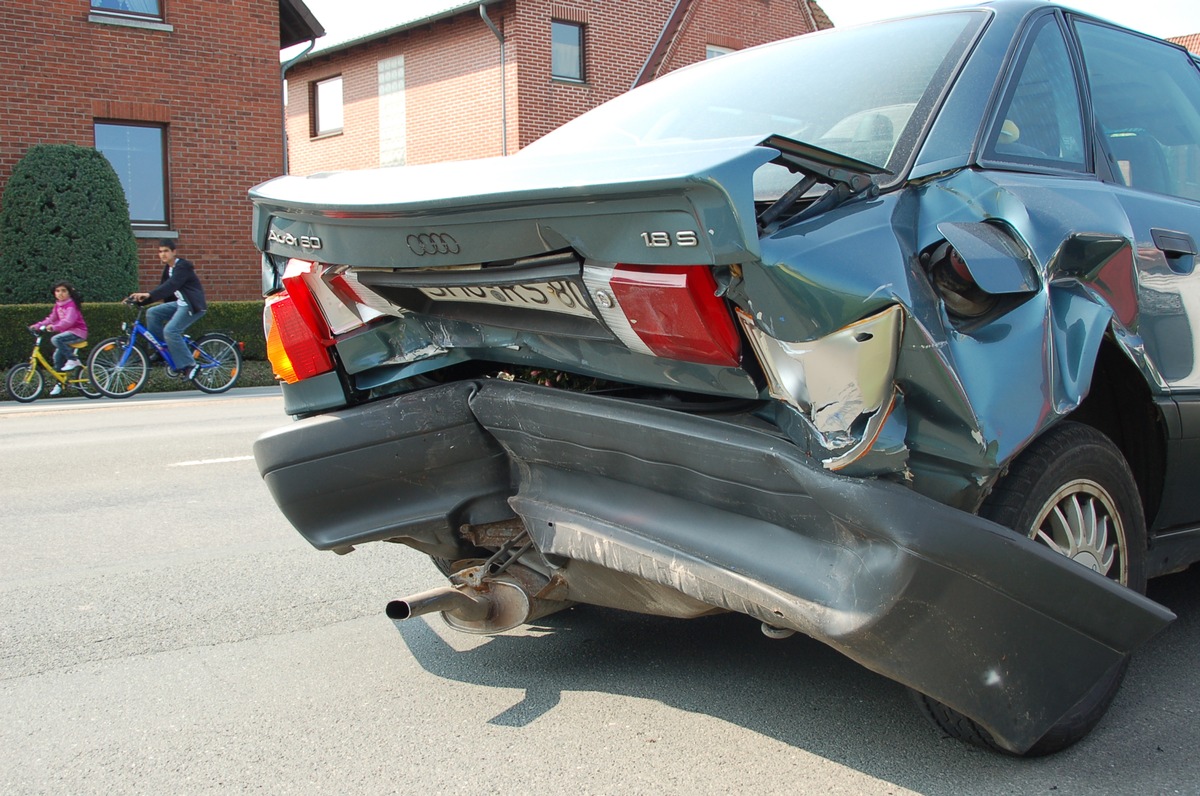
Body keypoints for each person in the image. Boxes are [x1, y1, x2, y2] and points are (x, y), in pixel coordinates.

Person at [130, 239, 208, 380]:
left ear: (174, 252)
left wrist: (149, 295)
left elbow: (171, 286)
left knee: (171, 331)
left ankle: (190, 365)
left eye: (166, 251)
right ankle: (161, 350)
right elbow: (164, 290)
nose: (163, 254)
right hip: (180, 304)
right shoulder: (168, 269)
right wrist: (141, 301)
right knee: (153, 313)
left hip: (192, 305)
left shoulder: (182, 267)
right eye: (160, 252)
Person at [29, 281, 89, 395]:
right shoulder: (58, 305)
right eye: (57, 291)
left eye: (63, 291)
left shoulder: (71, 305)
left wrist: (55, 327)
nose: (60, 293)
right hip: (66, 335)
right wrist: (37, 326)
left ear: (69, 293)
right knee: (57, 357)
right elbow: (51, 319)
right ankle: (59, 383)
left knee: (56, 339)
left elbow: (68, 321)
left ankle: (73, 360)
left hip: (77, 333)